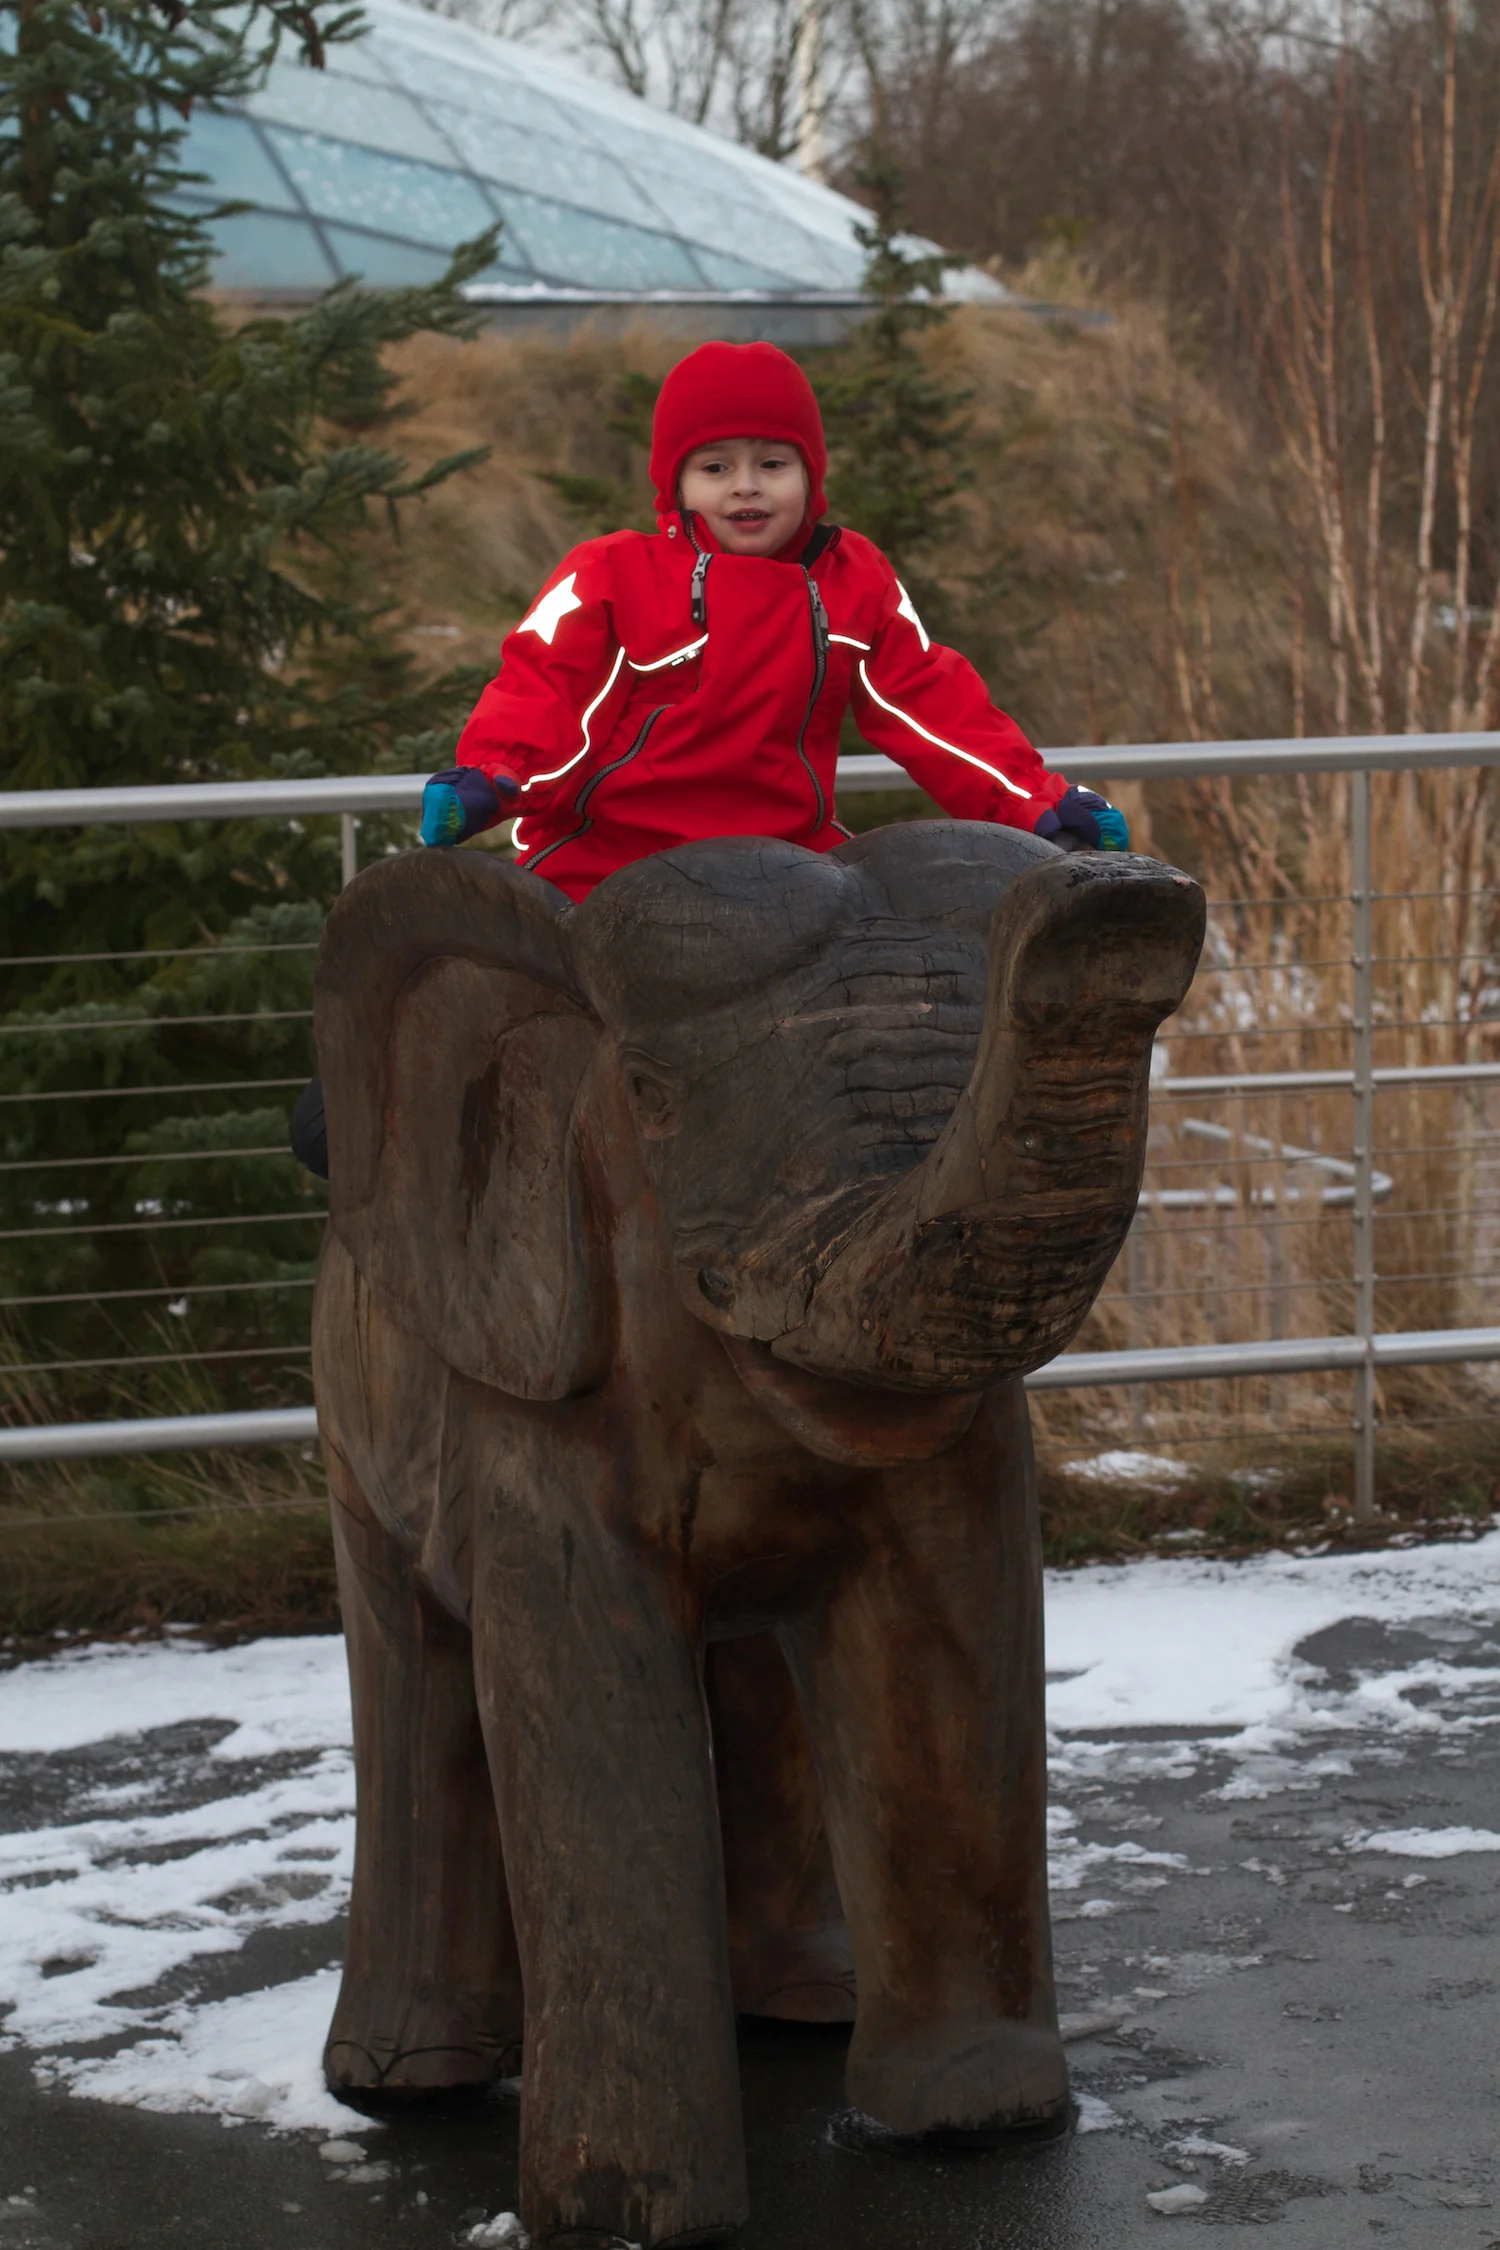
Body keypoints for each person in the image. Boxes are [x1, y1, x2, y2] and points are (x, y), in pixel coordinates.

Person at [417, 340, 1128, 898]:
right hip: (609, 858)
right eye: (716, 468)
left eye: (772, 462)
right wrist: (493, 777)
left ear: (810, 476)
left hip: (790, 863)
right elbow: (548, 687)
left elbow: (932, 704)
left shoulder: (851, 577)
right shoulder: (613, 573)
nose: (747, 485)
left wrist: (1035, 803)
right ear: (677, 484)